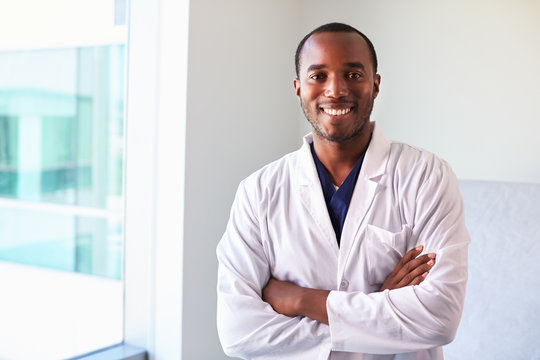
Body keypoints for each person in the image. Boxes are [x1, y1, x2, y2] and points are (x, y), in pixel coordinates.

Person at [216, 22, 469, 360]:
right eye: (318, 75)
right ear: (298, 88)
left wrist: (304, 301)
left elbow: (439, 317)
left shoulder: (426, 176)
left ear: (375, 85)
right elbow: (238, 332)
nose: (335, 90)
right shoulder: (258, 192)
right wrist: (380, 302)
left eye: (353, 75)